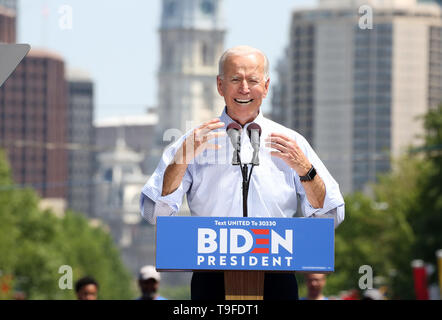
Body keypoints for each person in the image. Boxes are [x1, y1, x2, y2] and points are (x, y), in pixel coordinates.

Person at [140, 45, 345, 300]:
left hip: (278, 276)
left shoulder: (292, 142)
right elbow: (155, 212)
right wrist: (181, 160)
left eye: (253, 80)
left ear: (267, 86)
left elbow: (330, 215)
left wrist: (306, 170)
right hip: (211, 278)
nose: (244, 89)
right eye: (235, 79)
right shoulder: (193, 142)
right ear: (220, 85)